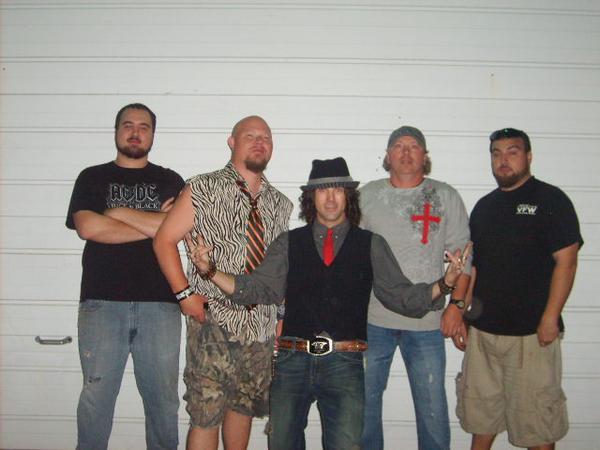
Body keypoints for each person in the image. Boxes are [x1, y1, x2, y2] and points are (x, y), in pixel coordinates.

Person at [186, 157, 470, 450]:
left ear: (348, 196)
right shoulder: (289, 242)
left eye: (338, 189)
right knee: (281, 444)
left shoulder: (371, 244)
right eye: (323, 190)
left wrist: (445, 283)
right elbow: (258, 289)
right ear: (312, 197)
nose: (331, 197)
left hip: (344, 364)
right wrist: (210, 270)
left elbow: (401, 297)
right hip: (292, 360)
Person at [153, 115, 293, 450]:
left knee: (243, 410)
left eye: (265, 137)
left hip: (260, 325)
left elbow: (281, 270)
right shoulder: (202, 188)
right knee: (206, 415)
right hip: (214, 321)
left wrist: (282, 315)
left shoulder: (280, 203)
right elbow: (164, 240)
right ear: (232, 142)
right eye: (250, 136)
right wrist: (184, 295)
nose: (259, 142)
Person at [455, 127, 583, 450]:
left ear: (528, 156)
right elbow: (474, 268)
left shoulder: (551, 200)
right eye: (496, 154)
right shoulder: (484, 207)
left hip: (531, 336)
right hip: (484, 334)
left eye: (512, 152)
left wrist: (550, 317)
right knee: (480, 419)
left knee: (536, 426)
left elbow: (567, 262)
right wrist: (463, 315)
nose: (503, 160)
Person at [66, 103, 185, 450]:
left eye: (144, 127)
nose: (135, 132)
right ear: (117, 131)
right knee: (96, 398)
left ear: (153, 135)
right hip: (102, 304)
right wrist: (155, 225)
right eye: (128, 125)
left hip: (161, 305)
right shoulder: (92, 177)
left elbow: (179, 229)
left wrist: (117, 212)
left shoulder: (171, 180)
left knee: (164, 402)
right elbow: (88, 228)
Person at [359, 126, 471, 450]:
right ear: (387, 156)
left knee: (432, 411)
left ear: (425, 156)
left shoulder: (445, 196)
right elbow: (350, 255)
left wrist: (456, 307)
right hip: (373, 321)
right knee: (363, 409)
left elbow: (465, 258)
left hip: (427, 323)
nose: (406, 152)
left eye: (414, 146)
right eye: (398, 146)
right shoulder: (366, 196)